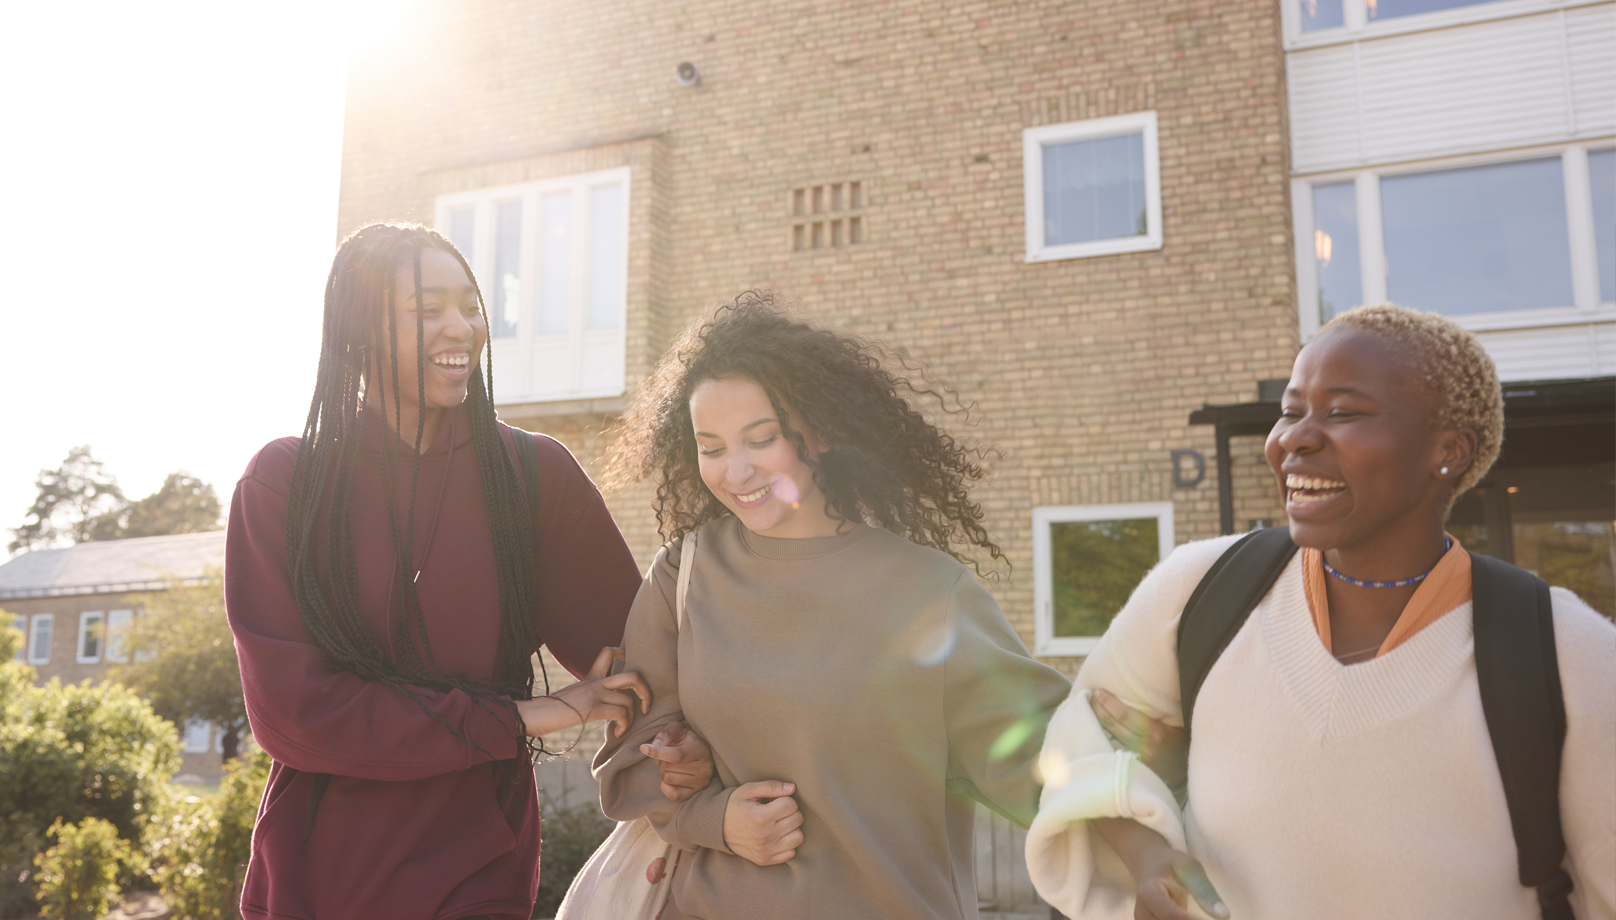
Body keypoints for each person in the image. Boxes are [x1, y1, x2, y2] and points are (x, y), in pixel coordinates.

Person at [1024, 303, 1615, 920]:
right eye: (1291, 411)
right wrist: (1148, 856)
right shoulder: (1199, 591)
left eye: (1343, 413)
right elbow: (1081, 739)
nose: (1293, 439)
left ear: (1450, 451)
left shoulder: (1568, 656)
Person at [592, 293, 1073, 920]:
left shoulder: (927, 592)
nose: (735, 471)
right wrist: (714, 817)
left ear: (821, 433)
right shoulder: (684, 576)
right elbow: (632, 753)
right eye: (711, 447)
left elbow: (1049, 763)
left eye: (761, 439)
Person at [225, 222, 655, 920]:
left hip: (477, 876)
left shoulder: (531, 476)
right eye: (428, 309)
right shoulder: (287, 484)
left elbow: (644, 663)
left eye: (470, 306)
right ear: (360, 332)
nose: (462, 327)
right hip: (314, 882)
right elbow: (294, 715)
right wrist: (523, 716)